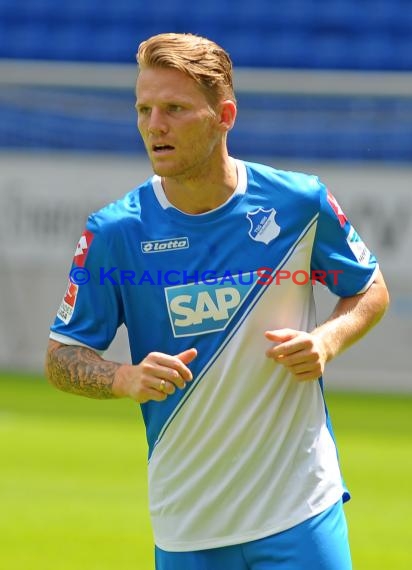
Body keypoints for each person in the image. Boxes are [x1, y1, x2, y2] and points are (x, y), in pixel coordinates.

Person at [45, 32, 389, 570]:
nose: (154, 125)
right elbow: (62, 356)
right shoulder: (116, 232)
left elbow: (369, 288)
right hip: (189, 523)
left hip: (300, 507)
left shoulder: (297, 203)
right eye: (144, 109)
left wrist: (326, 339)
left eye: (175, 109)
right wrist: (123, 378)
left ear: (224, 115)